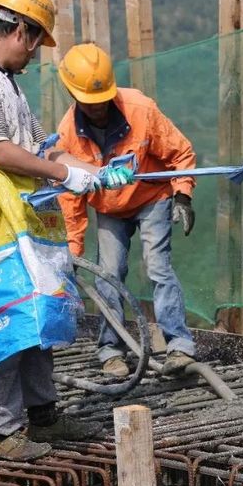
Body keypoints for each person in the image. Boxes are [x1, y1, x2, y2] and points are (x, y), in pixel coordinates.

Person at [0, 0, 104, 461]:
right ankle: (4, 431)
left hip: (21, 205)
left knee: (39, 307)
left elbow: (35, 142)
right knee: (1, 313)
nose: (35, 57)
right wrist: (63, 172)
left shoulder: (3, 79)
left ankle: (42, 416)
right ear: (25, 35)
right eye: (37, 45)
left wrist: (89, 168)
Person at [55, 42, 198, 377]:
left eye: (102, 100)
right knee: (108, 274)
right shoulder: (67, 137)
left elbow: (180, 153)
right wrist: (72, 252)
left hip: (152, 198)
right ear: (73, 95)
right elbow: (71, 199)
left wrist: (183, 195)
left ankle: (179, 346)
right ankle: (111, 350)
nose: (98, 109)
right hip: (108, 207)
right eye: (90, 104)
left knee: (158, 266)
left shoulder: (140, 109)